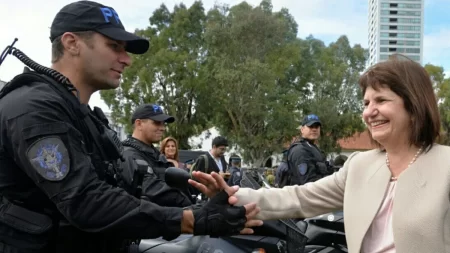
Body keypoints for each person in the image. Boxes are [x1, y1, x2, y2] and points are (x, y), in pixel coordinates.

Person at [0, 1, 260, 252]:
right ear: (72, 43)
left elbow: (125, 189)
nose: (127, 59)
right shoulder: (34, 108)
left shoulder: (83, 115)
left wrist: (195, 200)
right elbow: (86, 201)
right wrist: (193, 219)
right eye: (114, 46)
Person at [190, 56, 449, 253]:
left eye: (381, 101)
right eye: (366, 103)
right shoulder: (359, 165)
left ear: (414, 105)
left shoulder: (445, 165)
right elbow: (300, 197)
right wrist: (233, 195)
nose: (369, 112)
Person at [120, 104, 193, 207]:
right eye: (157, 123)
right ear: (139, 124)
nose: (162, 128)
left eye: (163, 124)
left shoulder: (155, 154)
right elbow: (151, 189)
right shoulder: (128, 154)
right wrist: (187, 203)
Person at [283, 114, 332, 186]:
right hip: (303, 196)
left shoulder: (313, 148)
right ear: (302, 129)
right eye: (310, 126)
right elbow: (308, 183)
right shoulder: (299, 150)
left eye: (317, 126)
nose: (314, 129)